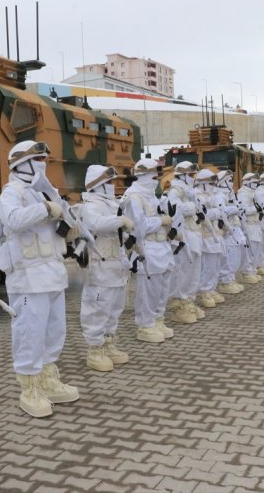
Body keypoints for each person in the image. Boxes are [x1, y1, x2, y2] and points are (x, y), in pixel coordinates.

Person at [0, 140, 79, 418]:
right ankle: (29, 387)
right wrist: (45, 208)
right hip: (28, 276)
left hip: (53, 273)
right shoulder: (13, 192)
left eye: (44, 158)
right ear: (22, 163)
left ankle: (48, 377)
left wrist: (63, 214)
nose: (43, 163)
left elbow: (61, 222)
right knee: (29, 333)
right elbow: (13, 220)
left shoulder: (42, 191)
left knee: (55, 330)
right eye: (38, 158)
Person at [78, 165, 135, 371]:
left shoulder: (112, 204)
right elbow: (96, 223)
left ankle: (109, 343)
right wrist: (121, 220)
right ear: (99, 184)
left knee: (115, 307)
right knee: (97, 309)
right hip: (100, 265)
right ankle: (95, 349)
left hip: (116, 264)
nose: (112, 185)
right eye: (108, 182)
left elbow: (120, 232)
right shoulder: (91, 204)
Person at [122, 158, 175, 342]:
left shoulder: (153, 196)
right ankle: (145, 325)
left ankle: (158, 319)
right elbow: (138, 227)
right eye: (154, 175)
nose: (156, 179)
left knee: (162, 287)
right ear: (144, 175)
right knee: (148, 290)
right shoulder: (134, 196)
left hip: (162, 246)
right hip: (147, 247)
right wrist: (161, 221)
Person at [164, 161, 204, 324]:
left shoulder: (190, 191)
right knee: (182, 271)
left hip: (194, 233)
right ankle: (179, 304)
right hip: (183, 235)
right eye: (191, 174)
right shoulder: (175, 190)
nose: (193, 177)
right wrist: (192, 206)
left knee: (194, 270)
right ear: (183, 175)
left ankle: (189, 300)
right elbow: (174, 209)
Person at [195, 169, 226, 308]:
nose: (213, 184)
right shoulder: (197, 196)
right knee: (207, 266)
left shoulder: (213, 195)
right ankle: (204, 291)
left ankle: (211, 288)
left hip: (216, 234)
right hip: (205, 236)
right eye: (210, 182)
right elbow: (203, 215)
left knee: (215, 265)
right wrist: (216, 212)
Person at [214, 170, 245, 294]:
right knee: (229, 255)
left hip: (235, 226)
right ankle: (225, 281)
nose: (231, 183)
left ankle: (231, 278)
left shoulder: (230, 194)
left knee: (237, 254)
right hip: (227, 230)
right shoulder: (218, 195)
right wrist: (233, 208)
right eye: (228, 180)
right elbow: (222, 212)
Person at [237, 173, 263, 284]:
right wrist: (257, 208)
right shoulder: (243, 193)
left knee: (256, 249)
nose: (257, 185)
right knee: (250, 251)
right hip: (248, 225)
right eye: (255, 183)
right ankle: (247, 272)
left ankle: (253, 270)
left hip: (256, 224)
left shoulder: (253, 193)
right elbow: (244, 210)